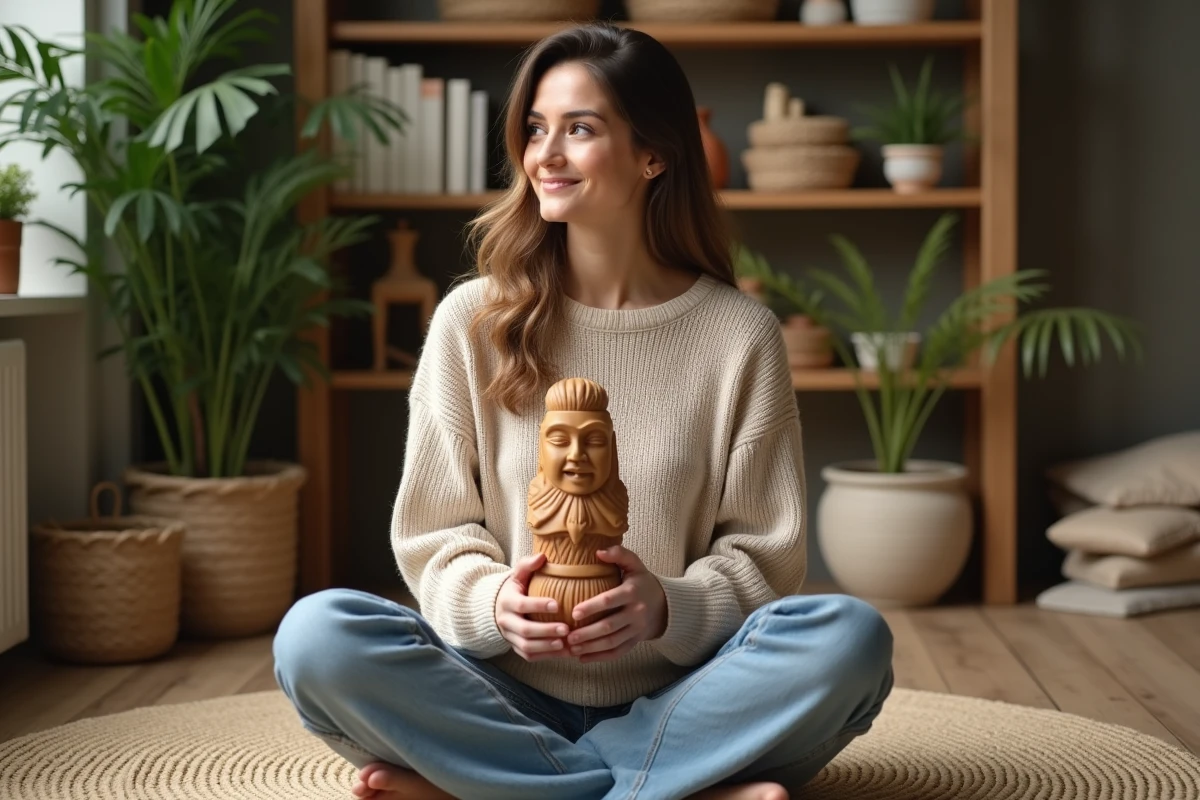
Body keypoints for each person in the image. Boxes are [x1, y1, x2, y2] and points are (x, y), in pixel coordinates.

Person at [273, 21, 893, 800]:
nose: (545, 155)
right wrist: (492, 601)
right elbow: (434, 533)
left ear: (653, 153)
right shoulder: (472, 321)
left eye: (580, 129)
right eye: (536, 129)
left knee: (851, 641)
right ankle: (662, 786)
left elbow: (764, 556)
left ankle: (503, 786)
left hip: (682, 699)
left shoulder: (739, 335)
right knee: (318, 637)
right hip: (501, 692)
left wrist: (667, 605)